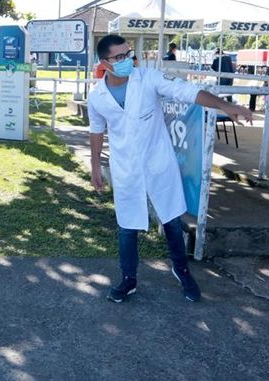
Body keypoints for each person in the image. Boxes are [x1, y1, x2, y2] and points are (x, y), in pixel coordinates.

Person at [88, 34, 252, 304]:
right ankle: (128, 279)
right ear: (104, 62)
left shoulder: (148, 79)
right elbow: (96, 130)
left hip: (158, 162)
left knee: (172, 220)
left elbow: (188, 92)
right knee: (127, 226)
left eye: (128, 54)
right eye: (119, 57)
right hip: (126, 167)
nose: (127, 60)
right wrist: (95, 165)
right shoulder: (97, 96)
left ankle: (182, 271)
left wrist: (226, 105)